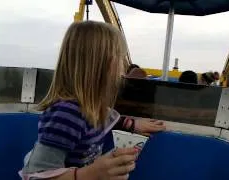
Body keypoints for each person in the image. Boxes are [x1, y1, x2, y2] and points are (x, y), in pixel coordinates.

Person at [19, 21, 165, 180]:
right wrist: (92, 174)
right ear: (103, 64)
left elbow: (108, 118)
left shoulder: (93, 108)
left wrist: (133, 125)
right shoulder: (66, 115)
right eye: (119, 56)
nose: (124, 64)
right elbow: (36, 176)